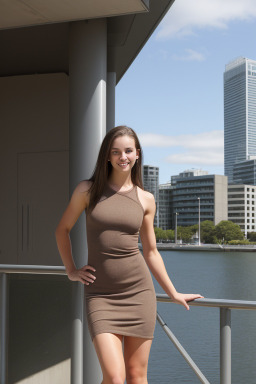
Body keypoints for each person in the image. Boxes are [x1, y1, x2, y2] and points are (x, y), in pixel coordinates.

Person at [55, 125, 203, 384]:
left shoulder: (146, 199)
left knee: (136, 376)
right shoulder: (87, 190)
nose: (122, 157)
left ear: (137, 154)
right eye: (115, 152)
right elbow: (62, 230)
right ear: (107, 156)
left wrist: (173, 293)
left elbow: (151, 252)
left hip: (139, 293)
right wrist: (71, 270)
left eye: (128, 151)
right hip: (100, 295)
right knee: (113, 377)